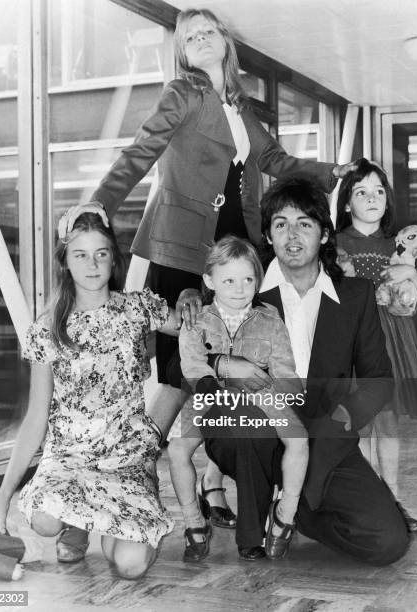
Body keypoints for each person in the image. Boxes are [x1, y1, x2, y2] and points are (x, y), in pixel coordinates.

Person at [62, 7, 356, 546]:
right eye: (188, 35)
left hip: (232, 255)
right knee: (178, 376)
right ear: (182, 51)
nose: (198, 38)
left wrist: (326, 172)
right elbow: (142, 149)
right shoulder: (184, 93)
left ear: (225, 41)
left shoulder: (240, 107)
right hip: (180, 251)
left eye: (207, 30)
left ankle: (206, 486)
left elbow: (274, 158)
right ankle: (117, 484)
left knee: (224, 364)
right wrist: (100, 203)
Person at [180, 177, 410, 565]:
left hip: (325, 432)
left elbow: (378, 380)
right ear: (268, 235)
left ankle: (296, 511)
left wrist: (343, 416)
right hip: (253, 428)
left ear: (323, 234)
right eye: (280, 224)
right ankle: (266, 513)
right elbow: (182, 359)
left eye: (305, 223)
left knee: (387, 542)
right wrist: (223, 362)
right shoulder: (244, 287)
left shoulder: (356, 297)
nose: (292, 234)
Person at [0, 209, 179, 580]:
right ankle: (77, 525)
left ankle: (112, 518)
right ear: (65, 261)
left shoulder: (138, 308)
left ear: (114, 258)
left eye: (101, 253)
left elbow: (199, 326)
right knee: (45, 521)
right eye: (80, 254)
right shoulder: (47, 329)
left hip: (124, 460)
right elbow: (36, 417)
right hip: (70, 460)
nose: (92, 264)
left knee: (130, 567)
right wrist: (3, 495)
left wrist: (194, 296)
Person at [175, 236, 307, 561]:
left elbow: (285, 368)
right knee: (178, 449)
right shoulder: (198, 320)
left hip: (262, 393)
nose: (239, 288)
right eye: (229, 280)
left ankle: (285, 513)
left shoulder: (269, 318)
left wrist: (280, 394)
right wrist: (208, 383)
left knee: (299, 439)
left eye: (248, 279)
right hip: (211, 394)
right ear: (210, 281)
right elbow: (191, 360)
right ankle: (193, 519)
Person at [336, 158, 417, 532]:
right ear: (347, 203)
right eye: (361, 191)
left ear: (387, 199)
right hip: (358, 343)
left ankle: (392, 500)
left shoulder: (400, 245)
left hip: (393, 342)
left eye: (378, 191)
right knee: (358, 422)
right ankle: (366, 501)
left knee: (387, 421)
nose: (371, 198)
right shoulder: (338, 242)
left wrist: (409, 272)